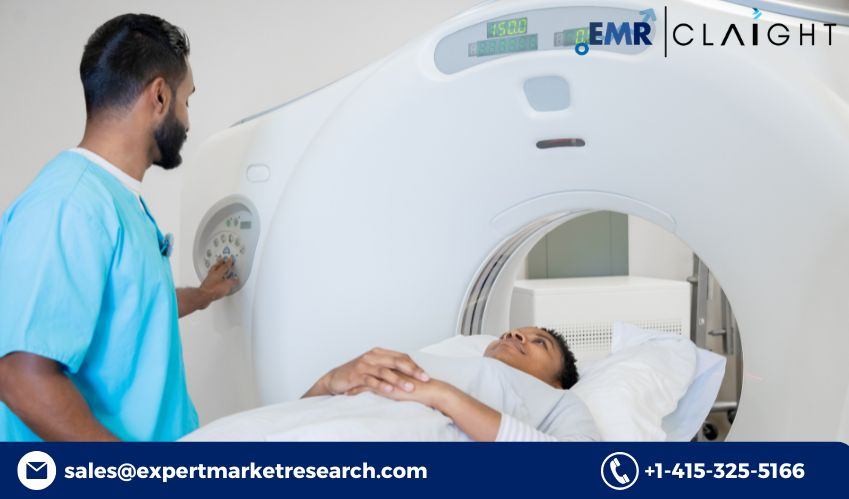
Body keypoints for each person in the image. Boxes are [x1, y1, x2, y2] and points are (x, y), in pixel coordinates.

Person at [0, 14, 238, 441]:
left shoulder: (114, 200)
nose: (187, 121)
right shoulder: (69, 205)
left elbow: (129, 309)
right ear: (159, 96)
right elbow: (21, 377)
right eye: (187, 100)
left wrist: (204, 295)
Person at [300, 327, 596, 442]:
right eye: (511, 332)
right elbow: (302, 412)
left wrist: (440, 395)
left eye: (540, 342)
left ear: (557, 383)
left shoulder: (560, 401)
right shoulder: (429, 360)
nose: (514, 334)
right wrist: (327, 382)